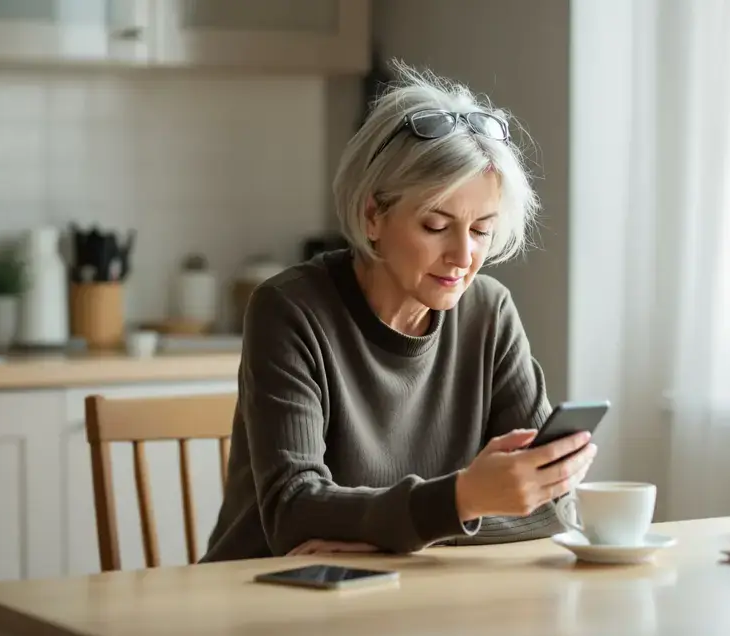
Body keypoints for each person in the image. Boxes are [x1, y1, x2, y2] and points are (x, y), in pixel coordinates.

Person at [201, 63, 597, 562]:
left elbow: (551, 508)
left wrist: (430, 521)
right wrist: (463, 501)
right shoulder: (291, 310)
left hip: (405, 593)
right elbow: (294, 513)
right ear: (373, 217)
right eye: (436, 225)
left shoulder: (489, 313)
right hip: (266, 595)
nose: (462, 256)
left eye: (481, 231)